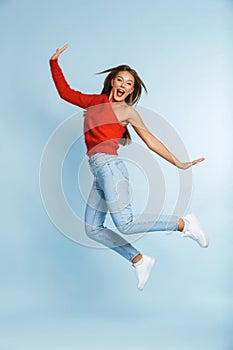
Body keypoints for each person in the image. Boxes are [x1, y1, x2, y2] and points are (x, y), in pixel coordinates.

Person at [49, 44, 209, 291]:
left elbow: (151, 140)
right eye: (120, 80)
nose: (124, 86)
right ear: (112, 82)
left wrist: (179, 162)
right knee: (93, 229)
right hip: (98, 171)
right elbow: (65, 93)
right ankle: (138, 259)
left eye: (130, 84)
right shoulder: (94, 102)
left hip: (110, 167)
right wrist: (54, 62)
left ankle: (184, 224)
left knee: (125, 223)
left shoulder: (127, 112)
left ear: (132, 90)